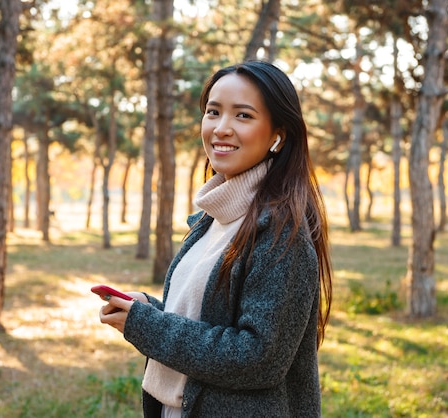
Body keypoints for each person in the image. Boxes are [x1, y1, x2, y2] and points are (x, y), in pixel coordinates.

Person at [98, 60, 333, 418]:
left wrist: (148, 326)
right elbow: (209, 321)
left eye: (243, 116)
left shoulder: (282, 233)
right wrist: (146, 309)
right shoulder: (212, 219)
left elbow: (257, 358)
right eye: (213, 112)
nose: (221, 128)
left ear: (278, 135)